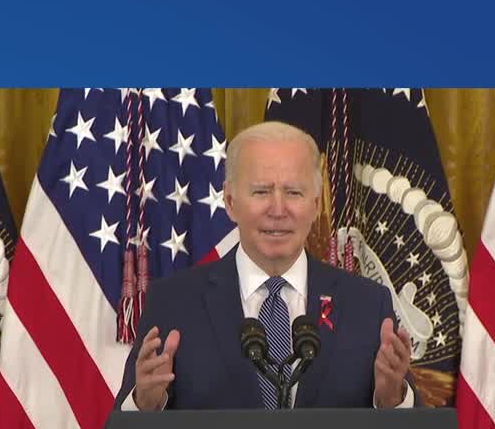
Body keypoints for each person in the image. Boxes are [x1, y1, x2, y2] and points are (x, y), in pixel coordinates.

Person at [114, 121, 415, 412]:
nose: (278, 210)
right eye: (261, 192)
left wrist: (391, 400)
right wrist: (145, 404)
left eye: (293, 192)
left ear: (315, 203)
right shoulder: (174, 304)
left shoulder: (367, 304)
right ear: (230, 202)